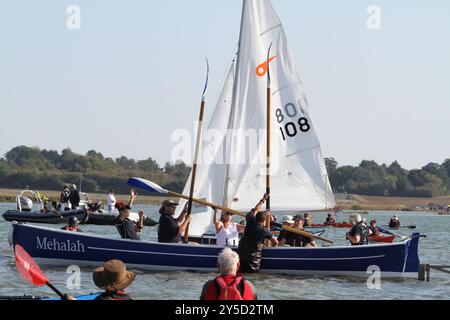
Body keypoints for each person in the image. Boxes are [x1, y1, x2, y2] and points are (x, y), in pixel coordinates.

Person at [237, 194, 279, 273]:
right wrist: (269, 249)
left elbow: (256, 209)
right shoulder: (265, 230)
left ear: (255, 217)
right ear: (264, 221)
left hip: (241, 256)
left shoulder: (249, 221)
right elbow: (275, 242)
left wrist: (263, 199)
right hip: (253, 261)